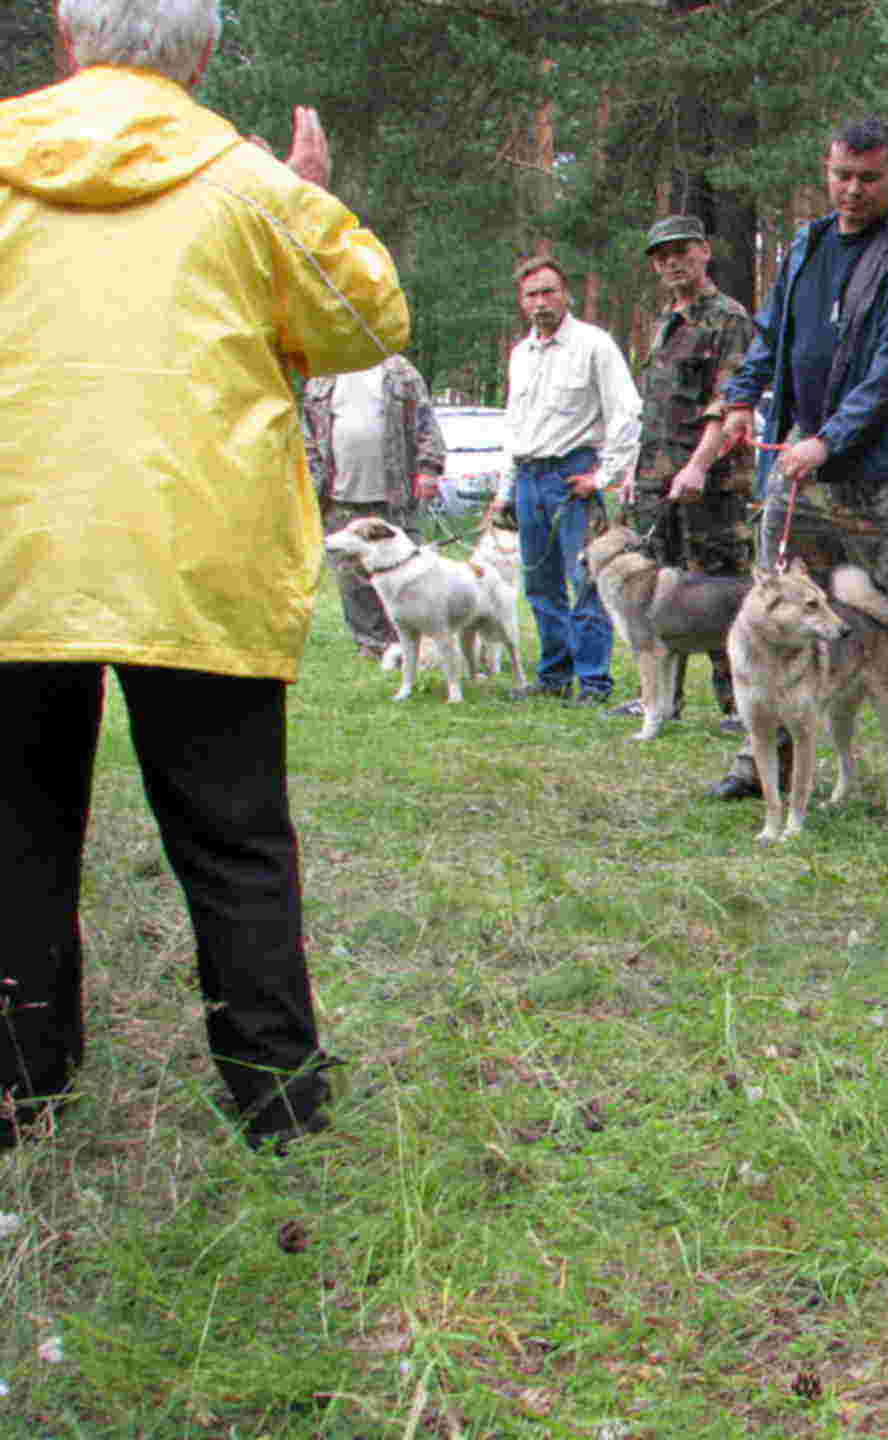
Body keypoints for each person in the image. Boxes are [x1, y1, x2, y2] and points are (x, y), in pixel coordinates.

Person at [0, 0, 410, 1148]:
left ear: (68, 39)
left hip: (16, 554)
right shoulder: (252, 186)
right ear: (208, 53)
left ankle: (20, 1089)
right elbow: (368, 319)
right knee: (234, 841)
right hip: (199, 558)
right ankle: (278, 1101)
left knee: (16, 837)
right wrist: (309, 190)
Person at [713, 116, 888, 801]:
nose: (851, 190)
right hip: (800, 464)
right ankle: (758, 753)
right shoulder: (807, 244)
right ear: (826, 171)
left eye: (867, 178)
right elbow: (771, 335)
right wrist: (742, 399)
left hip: (885, 468)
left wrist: (829, 439)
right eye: (840, 176)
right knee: (771, 602)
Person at [615, 214, 755, 738]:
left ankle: (738, 706)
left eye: (681, 251)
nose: (671, 262)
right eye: (660, 255)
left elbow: (730, 403)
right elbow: (654, 410)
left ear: (704, 252)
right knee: (658, 596)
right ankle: (659, 701)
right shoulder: (664, 322)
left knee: (720, 595)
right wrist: (636, 471)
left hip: (711, 485)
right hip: (657, 483)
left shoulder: (728, 318)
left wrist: (698, 465)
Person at [486, 257, 641, 705]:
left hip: (573, 476)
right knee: (539, 583)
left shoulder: (594, 345)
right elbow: (514, 428)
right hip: (529, 478)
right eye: (531, 294)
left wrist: (604, 475)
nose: (540, 303)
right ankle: (554, 675)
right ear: (521, 301)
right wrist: (504, 491)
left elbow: (627, 412)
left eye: (549, 292)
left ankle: (593, 681)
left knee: (585, 580)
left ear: (566, 293)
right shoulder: (520, 354)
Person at [303, 356, 446, 658]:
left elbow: (425, 422)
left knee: (408, 571)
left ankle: (411, 639)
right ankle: (371, 642)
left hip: (395, 494)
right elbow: (308, 439)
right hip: (339, 494)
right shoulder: (322, 375)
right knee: (349, 575)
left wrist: (429, 469)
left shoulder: (399, 370)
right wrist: (310, 485)